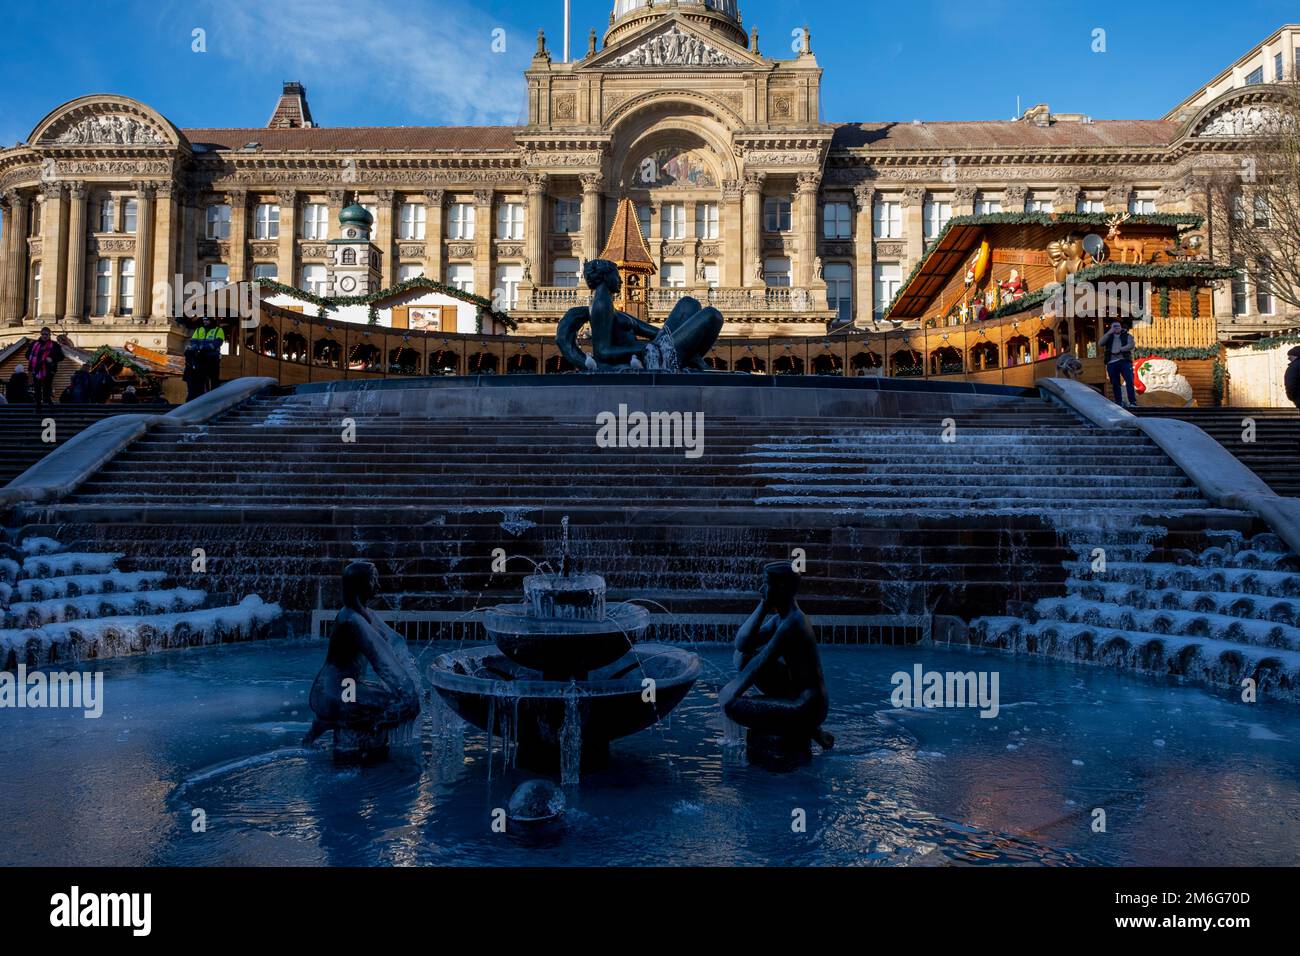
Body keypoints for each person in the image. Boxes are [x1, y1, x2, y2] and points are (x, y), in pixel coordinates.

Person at [303, 561, 422, 750]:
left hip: (346, 687)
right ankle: (362, 754)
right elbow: (380, 658)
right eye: (374, 580)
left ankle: (362, 748)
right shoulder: (351, 619)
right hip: (337, 691)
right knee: (397, 705)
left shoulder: (365, 614)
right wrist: (407, 693)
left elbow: (394, 641)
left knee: (391, 700)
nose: (378, 586)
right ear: (361, 584)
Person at [720, 561, 833, 753]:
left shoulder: (793, 624)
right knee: (743, 657)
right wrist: (764, 604)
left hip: (807, 705)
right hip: (797, 693)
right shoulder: (781, 618)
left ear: (781, 587)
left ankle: (808, 726)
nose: (761, 588)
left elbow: (760, 663)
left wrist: (729, 695)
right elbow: (743, 644)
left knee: (733, 705)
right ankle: (812, 730)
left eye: (767, 583)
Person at [1099, 320, 1137, 407]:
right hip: (1112, 362)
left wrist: (1120, 349)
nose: (1117, 328)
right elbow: (1100, 343)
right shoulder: (1108, 336)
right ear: (1111, 328)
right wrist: (1109, 332)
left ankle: (1132, 402)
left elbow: (1131, 345)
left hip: (1125, 361)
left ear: (1121, 327)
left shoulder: (1127, 335)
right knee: (1115, 383)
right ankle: (1119, 402)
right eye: (1114, 326)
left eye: (1118, 326)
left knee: (1129, 381)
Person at [26, 327, 65, 411]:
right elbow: (27, 355)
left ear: (49, 335)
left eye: (46, 334)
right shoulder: (34, 344)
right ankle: (38, 405)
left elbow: (61, 357)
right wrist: (33, 360)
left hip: (49, 370)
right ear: (41, 334)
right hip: (36, 369)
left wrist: (52, 358)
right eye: (43, 334)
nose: (44, 336)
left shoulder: (54, 345)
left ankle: (48, 402)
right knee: (37, 387)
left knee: (47, 387)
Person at [190, 316, 225, 395]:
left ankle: (214, 395)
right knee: (201, 378)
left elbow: (217, 343)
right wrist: (199, 347)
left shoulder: (218, 330)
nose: (205, 322)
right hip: (201, 357)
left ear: (211, 320)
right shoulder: (199, 330)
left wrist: (203, 347)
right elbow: (193, 341)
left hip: (213, 358)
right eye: (204, 320)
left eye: (207, 320)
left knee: (214, 378)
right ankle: (202, 395)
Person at [1285, 346, 1300, 412]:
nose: (1288, 358)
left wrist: (1292, 397)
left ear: (1295, 356)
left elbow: (1290, 384)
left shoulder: (1293, 367)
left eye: (1290, 356)